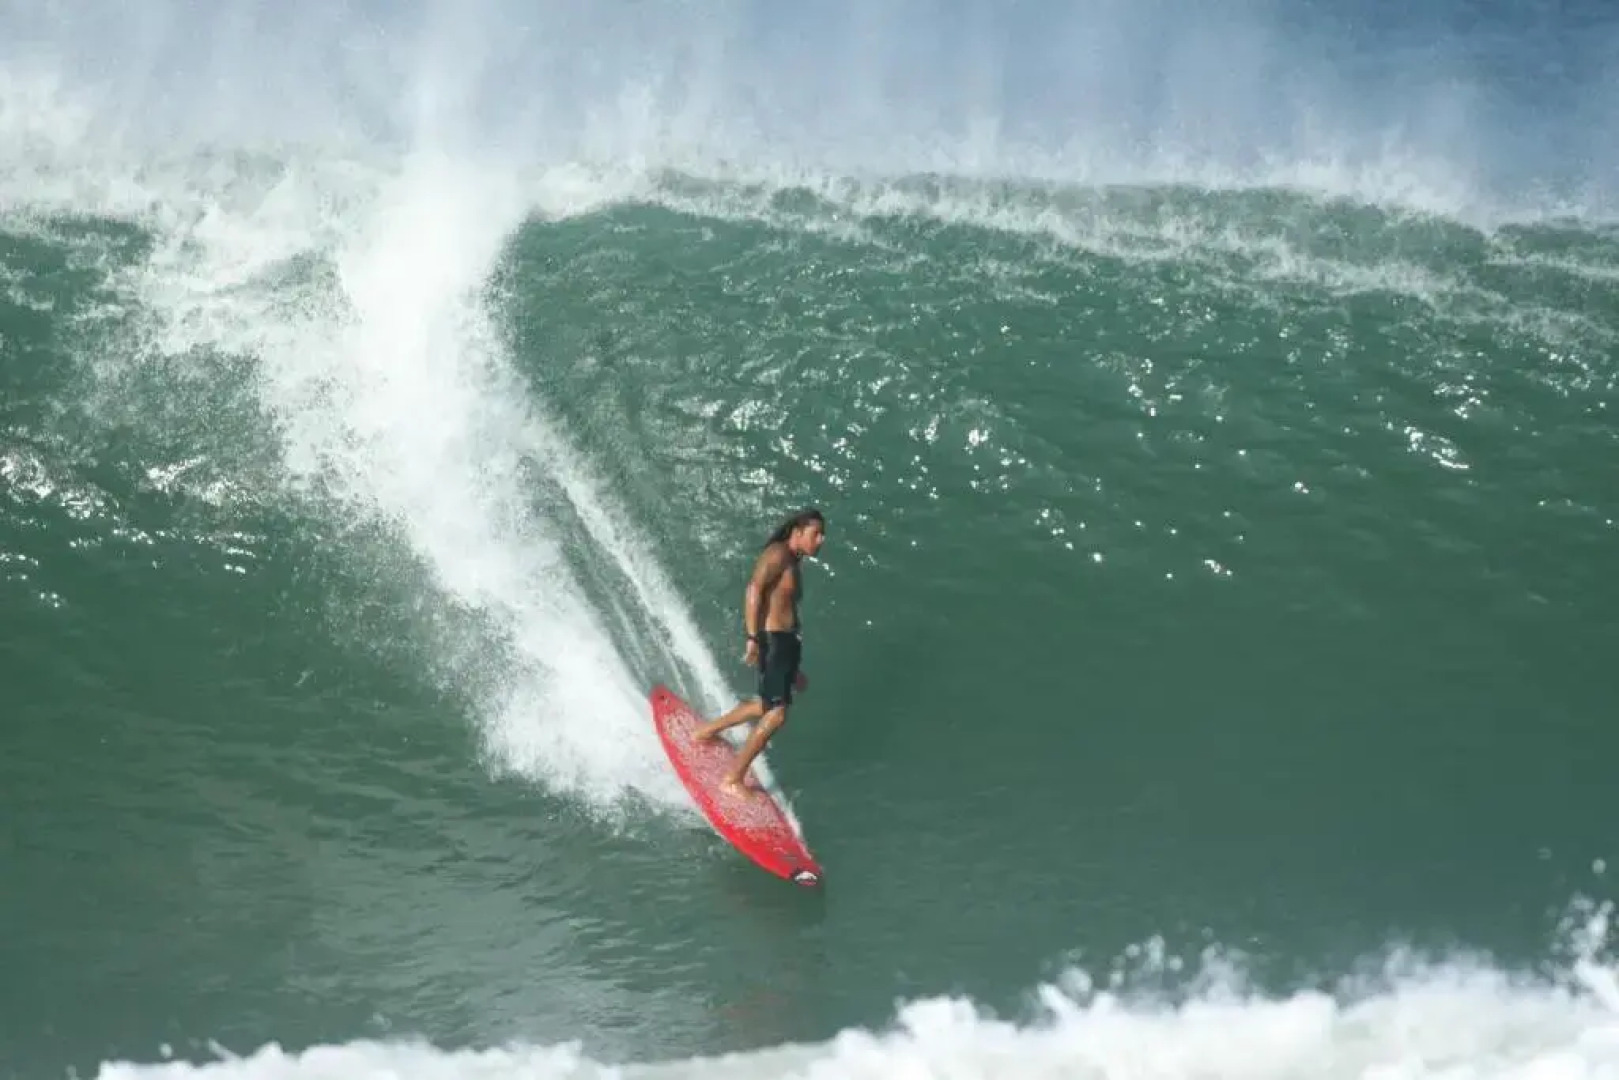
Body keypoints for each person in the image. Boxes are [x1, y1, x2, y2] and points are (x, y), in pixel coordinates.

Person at [695, 507, 826, 793]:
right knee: (777, 714)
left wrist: (794, 668)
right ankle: (732, 780)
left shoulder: (794, 561)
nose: (821, 540)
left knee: (765, 705)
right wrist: (753, 638)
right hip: (774, 640)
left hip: (787, 643)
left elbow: (786, 606)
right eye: (816, 534)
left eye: (822, 535)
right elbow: (754, 589)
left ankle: (706, 732)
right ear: (798, 531)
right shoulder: (778, 554)